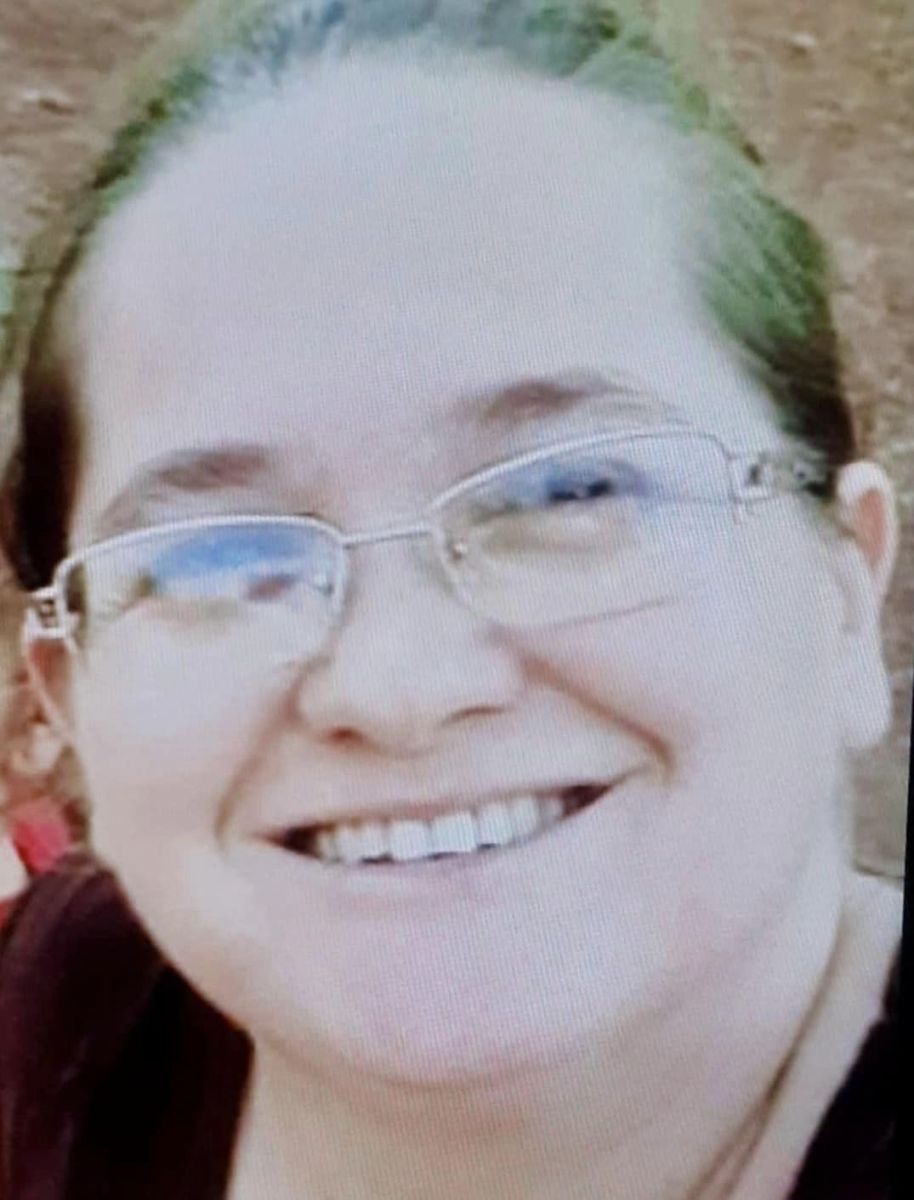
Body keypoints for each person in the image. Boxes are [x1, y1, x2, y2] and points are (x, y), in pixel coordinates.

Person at [0, 0, 903, 1196]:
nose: (397, 689)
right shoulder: (68, 1016)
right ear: (68, 700)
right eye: (216, 557)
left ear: (842, 584)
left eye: (567, 491)